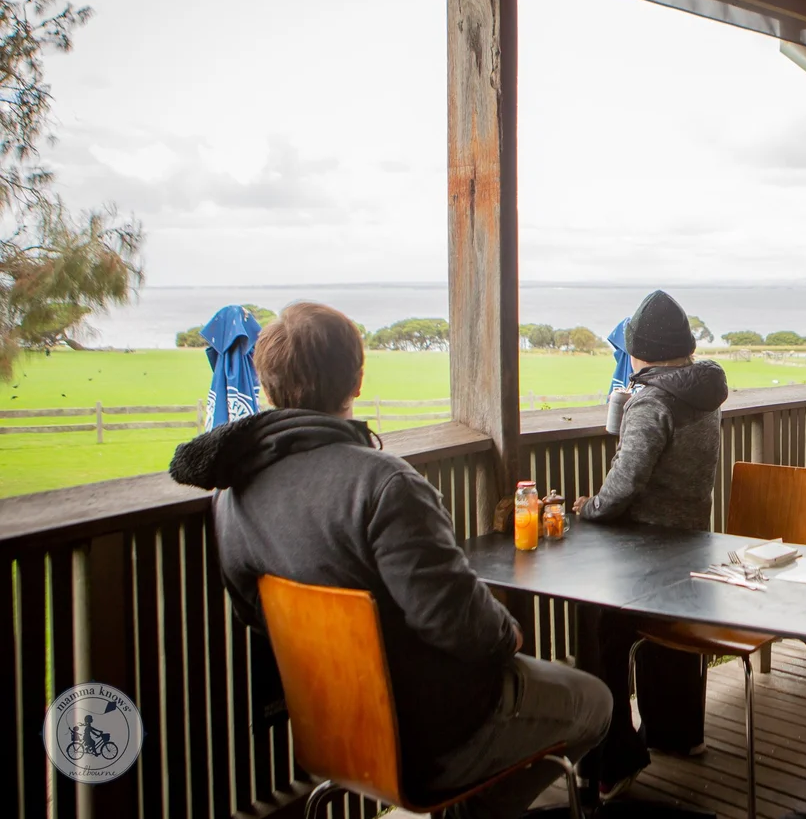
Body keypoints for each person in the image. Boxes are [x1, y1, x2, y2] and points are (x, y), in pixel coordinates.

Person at [170, 303, 609, 818]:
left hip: (330, 731)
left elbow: (254, 612)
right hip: (437, 733)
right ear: (356, 383)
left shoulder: (230, 495)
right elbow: (462, 626)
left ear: (267, 386)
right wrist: (507, 634)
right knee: (595, 702)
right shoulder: (383, 485)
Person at [570, 290, 729, 795]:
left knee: (597, 620)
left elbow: (625, 481)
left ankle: (613, 758)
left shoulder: (652, 400)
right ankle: (677, 733)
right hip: (691, 547)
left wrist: (588, 509)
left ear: (641, 352)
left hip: (647, 555)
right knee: (665, 626)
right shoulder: (704, 391)